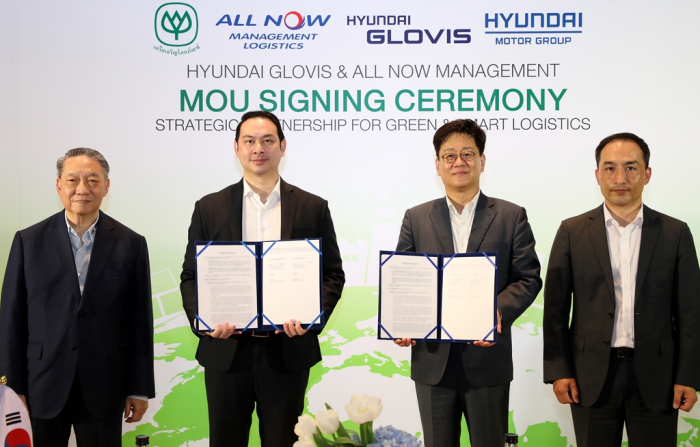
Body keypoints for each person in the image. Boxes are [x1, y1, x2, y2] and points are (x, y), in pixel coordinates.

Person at [180, 110, 345, 447]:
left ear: (282, 146)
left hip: (286, 351)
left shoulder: (313, 207)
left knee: (284, 442)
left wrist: (312, 319)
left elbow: (332, 274)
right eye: (250, 141)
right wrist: (205, 320)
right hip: (227, 351)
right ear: (237, 148)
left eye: (268, 140)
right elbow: (190, 277)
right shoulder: (208, 207)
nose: (259, 148)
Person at [543, 132, 700, 447]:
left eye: (631, 167)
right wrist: (559, 371)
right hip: (591, 377)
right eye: (610, 168)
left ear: (647, 174)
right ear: (597, 175)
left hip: (658, 377)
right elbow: (555, 309)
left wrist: (688, 377)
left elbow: (690, 312)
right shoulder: (572, 231)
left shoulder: (675, 232)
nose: (620, 178)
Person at [394, 119, 542, 447]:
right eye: (449, 156)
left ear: (482, 161)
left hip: (487, 362)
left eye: (467, 154)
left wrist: (498, 311)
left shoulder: (510, 215)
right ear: (437, 165)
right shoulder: (416, 218)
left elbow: (528, 277)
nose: (458, 162)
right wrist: (403, 320)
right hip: (433, 363)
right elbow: (404, 281)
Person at [0, 148, 155, 447]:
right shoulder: (28, 241)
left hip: (104, 385)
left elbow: (139, 322)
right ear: (59, 185)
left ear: (106, 187)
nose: (82, 189)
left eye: (92, 180)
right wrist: (10, 386)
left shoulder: (131, 243)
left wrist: (138, 389)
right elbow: (10, 320)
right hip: (39, 386)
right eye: (73, 180)